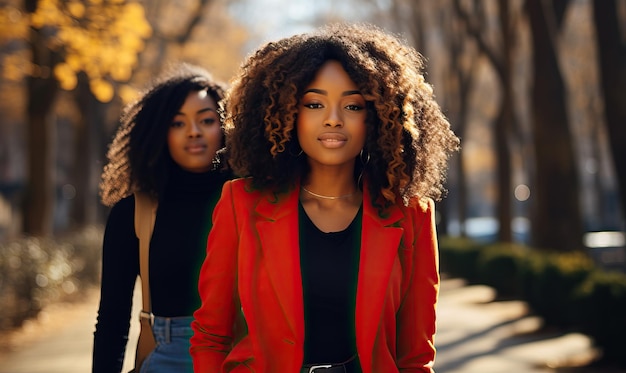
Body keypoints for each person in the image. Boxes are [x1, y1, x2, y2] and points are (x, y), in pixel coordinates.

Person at [190, 23, 460, 373]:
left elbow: (416, 357)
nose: (333, 120)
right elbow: (211, 335)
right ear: (287, 114)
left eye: (352, 106)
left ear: (378, 117)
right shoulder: (241, 203)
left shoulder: (412, 214)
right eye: (314, 104)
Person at [93, 63, 233, 373]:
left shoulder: (254, 200)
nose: (194, 131)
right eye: (177, 123)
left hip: (244, 356)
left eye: (206, 120)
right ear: (159, 133)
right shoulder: (134, 213)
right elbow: (113, 318)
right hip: (169, 357)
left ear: (226, 127)